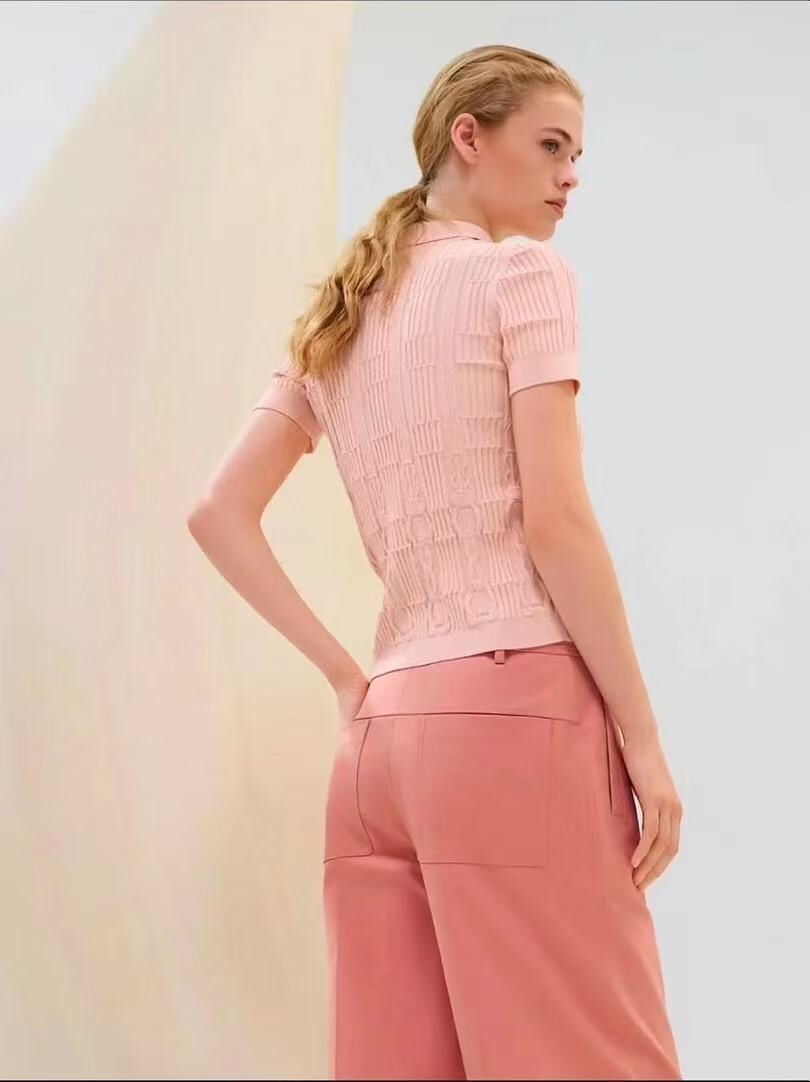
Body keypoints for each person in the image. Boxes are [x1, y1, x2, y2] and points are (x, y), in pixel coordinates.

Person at [188, 43, 684, 1082]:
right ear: (470, 137)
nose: (570, 176)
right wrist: (643, 743)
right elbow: (557, 524)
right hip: (515, 720)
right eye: (551, 146)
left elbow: (219, 512)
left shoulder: (340, 316)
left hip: (380, 747)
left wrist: (347, 675)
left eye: (577, 155)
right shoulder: (521, 276)